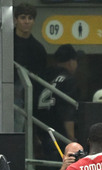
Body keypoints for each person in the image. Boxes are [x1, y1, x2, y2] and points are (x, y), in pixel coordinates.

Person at [13, 3, 47, 133]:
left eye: (30, 18)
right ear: (16, 20)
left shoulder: (38, 49)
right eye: (23, 17)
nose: (26, 22)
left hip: (26, 96)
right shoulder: (6, 43)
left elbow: (39, 77)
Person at [38, 44, 80, 143]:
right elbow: (68, 111)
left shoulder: (46, 77)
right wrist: (71, 138)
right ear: (71, 62)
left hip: (43, 132)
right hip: (59, 134)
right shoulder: (69, 80)